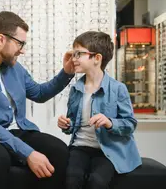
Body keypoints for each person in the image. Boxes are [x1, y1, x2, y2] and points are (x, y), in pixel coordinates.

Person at [0, 11, 75, 189]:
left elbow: (39, 93)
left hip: (20, 130)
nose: (22, 50)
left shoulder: (15, 68)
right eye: (20, 43)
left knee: (59, 150)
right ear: (1, 39)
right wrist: (28, 154)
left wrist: (66, 73)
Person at [57, 31, 142, 189]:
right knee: (71, 180)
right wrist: (66, 125)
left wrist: (110, 123)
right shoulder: (76, 89)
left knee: (97, 182)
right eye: (73, 54)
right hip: (80, 147)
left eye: (79, 54)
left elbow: (130, 124)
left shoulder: (118, 89)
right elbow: (72, 125)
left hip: (108, 150)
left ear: (97, 58)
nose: (74, 59)